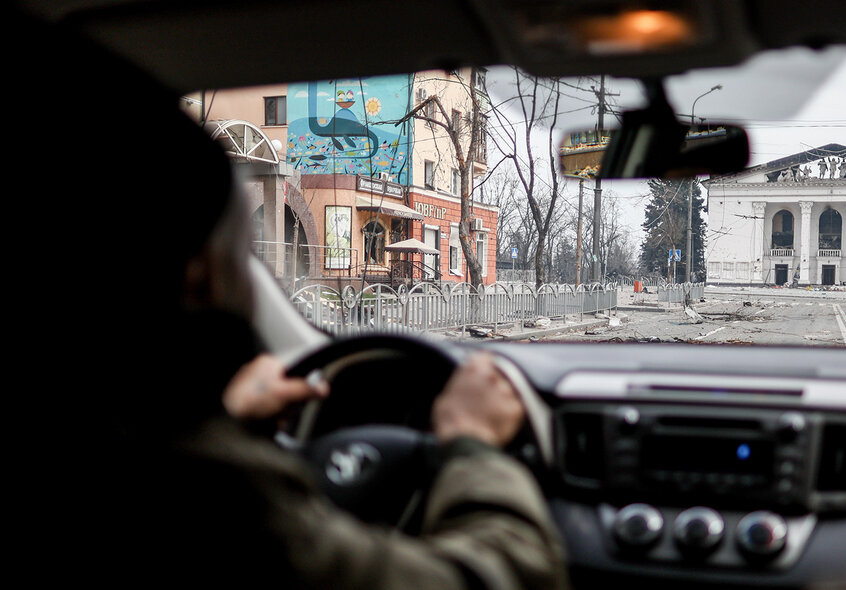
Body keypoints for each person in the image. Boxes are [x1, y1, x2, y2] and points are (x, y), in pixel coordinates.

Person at [12, 7, 568, 589]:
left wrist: (227, 419)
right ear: (201, 278)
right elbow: (503, 576)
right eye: (244, 251)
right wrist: (473, 446)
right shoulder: (224, 498)